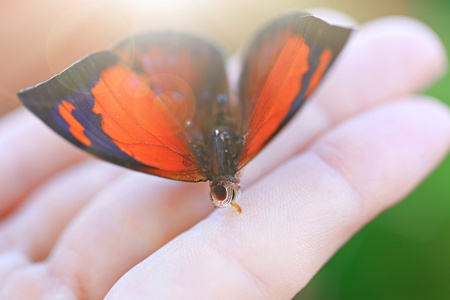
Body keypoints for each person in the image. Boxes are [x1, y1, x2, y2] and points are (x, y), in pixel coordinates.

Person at [0, 9, 449, 300]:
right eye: (223, 189)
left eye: (224, 188)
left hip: (183, 88)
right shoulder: (214, 163)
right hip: (216, 100)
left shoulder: (185, 163)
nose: (225, 188)